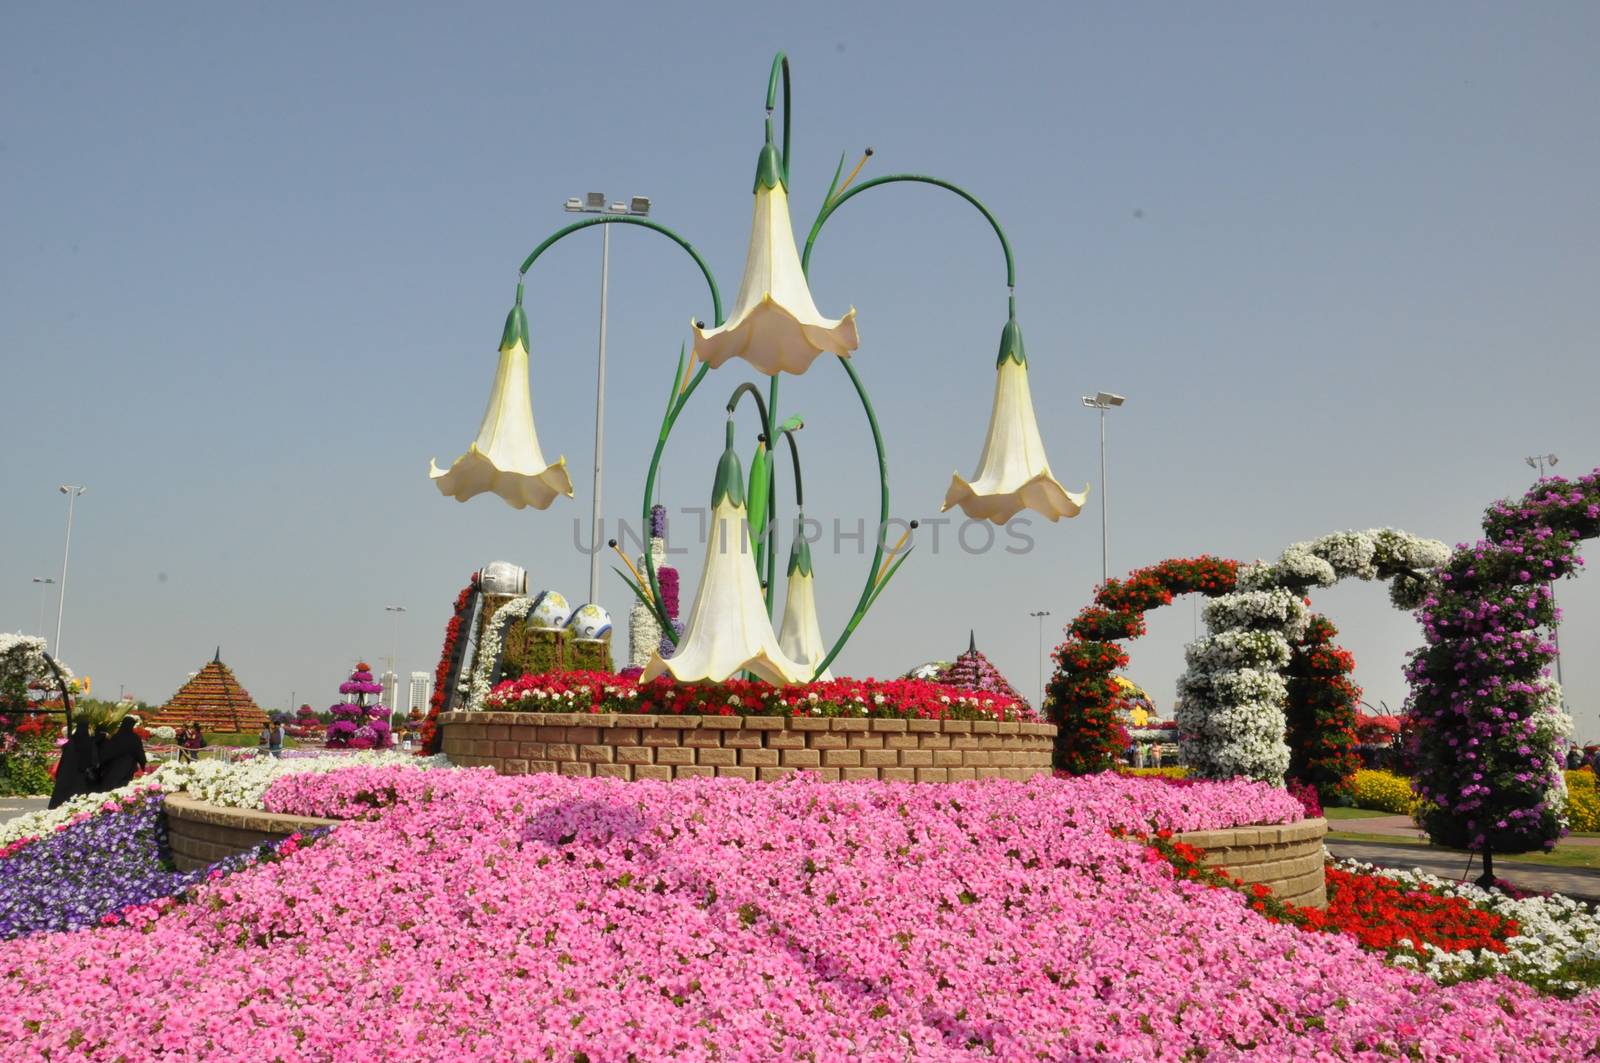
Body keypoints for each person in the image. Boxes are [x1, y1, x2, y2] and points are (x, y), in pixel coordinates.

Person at [48, 721, 100, 809]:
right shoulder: (90, 743)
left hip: (66, 776)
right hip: (82, 777)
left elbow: (63, 761)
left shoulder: (69, 743)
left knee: (63, 800)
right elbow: (94, 761)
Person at [99, 716, 148, 790]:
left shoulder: (116, 737)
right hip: (128, 768)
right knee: (124, 789)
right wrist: (143, 764)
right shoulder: (135, 738)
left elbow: (107, 752)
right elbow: (139, 753)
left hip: (113, 768)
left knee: (112, 789)